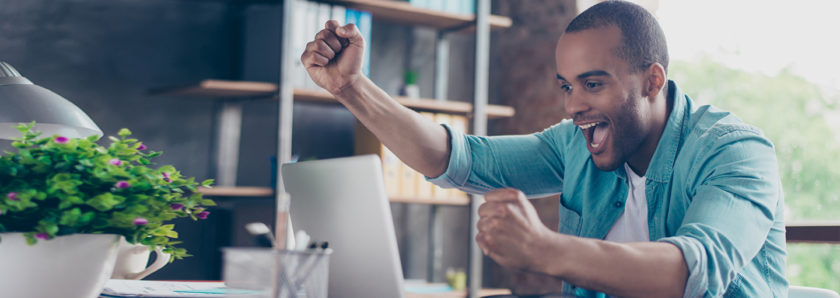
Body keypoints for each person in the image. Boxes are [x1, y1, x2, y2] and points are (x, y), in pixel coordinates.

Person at [300, 1, 787, 296]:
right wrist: (351, 89)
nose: (574, 105)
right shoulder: (577, 142)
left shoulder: (736, 152)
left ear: (652, 80)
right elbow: (458, 159)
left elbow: (690, 273)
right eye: (566, 86)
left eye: (592, 84)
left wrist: (543, 248)